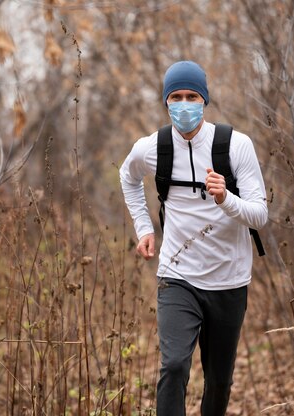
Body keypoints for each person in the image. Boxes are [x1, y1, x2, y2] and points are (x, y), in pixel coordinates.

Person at [119, 61, 268, 415]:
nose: (184, 104)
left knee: (219, 380)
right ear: (166, 102)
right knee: (173, 366)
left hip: (229, 279)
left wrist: (225, 198)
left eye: (192, 96)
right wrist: (143, 228)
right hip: (177, 274)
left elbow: (260, 213)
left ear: (204, 101)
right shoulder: (152, 147)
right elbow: (128, 177)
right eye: (176, 97)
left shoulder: (236, 145)